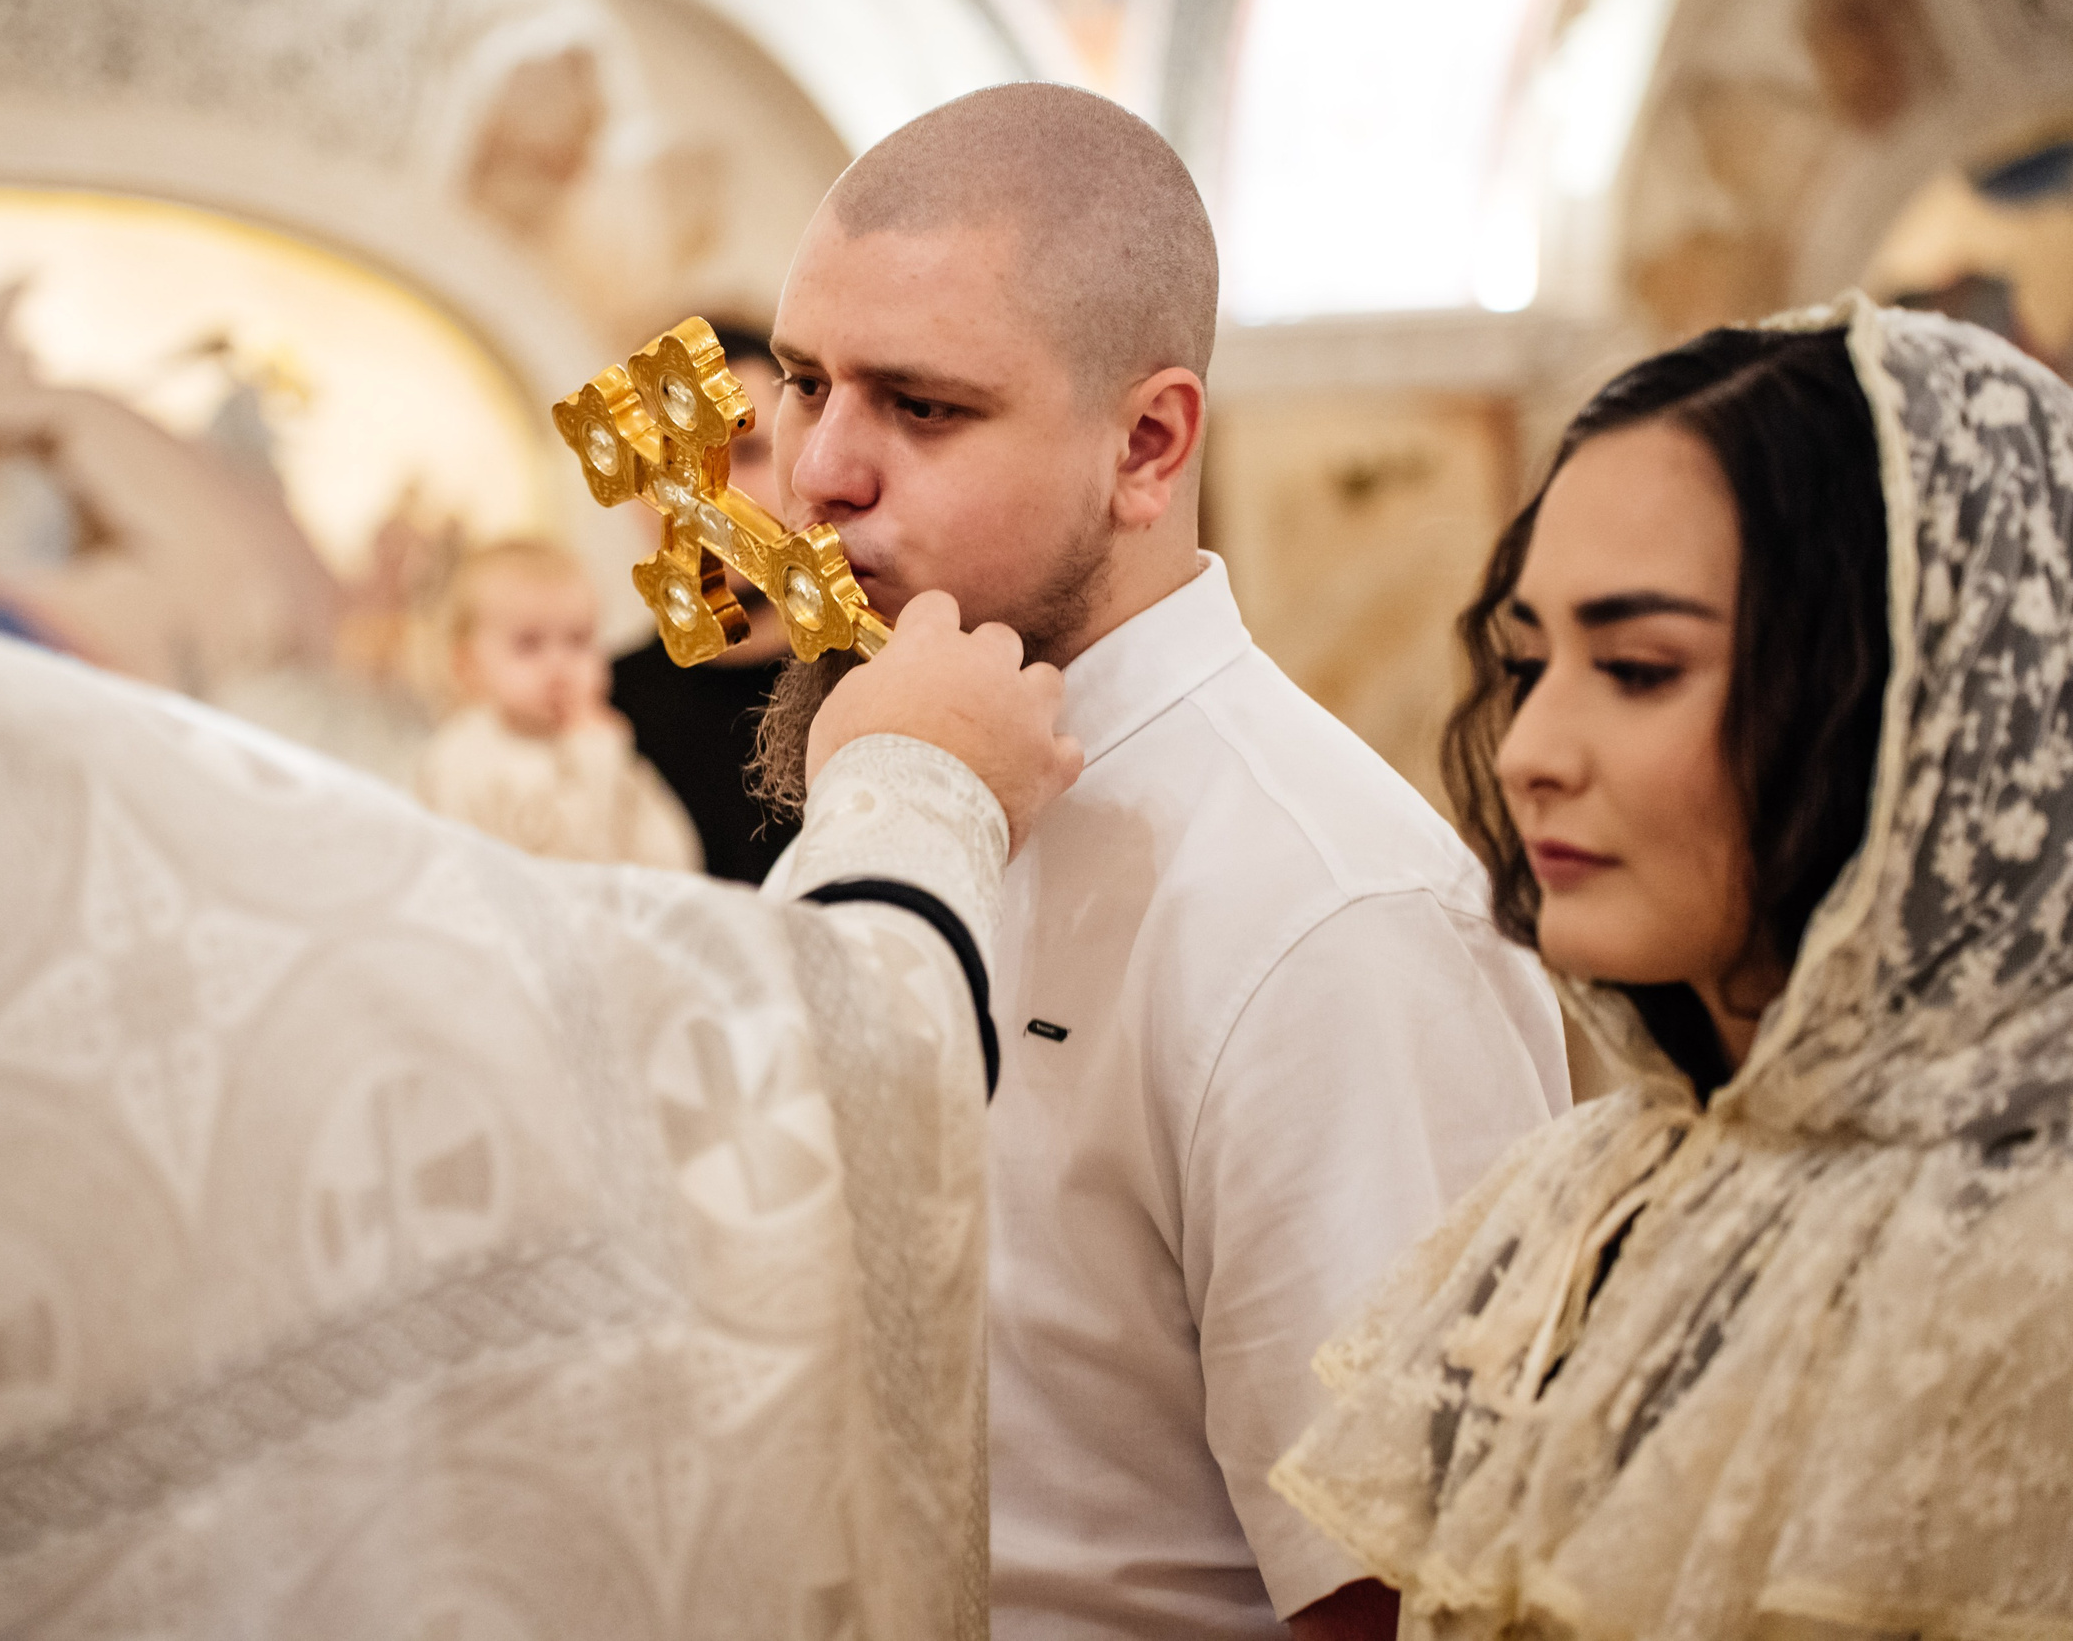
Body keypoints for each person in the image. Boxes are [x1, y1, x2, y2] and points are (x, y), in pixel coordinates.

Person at [0, 0, 1084, 1635]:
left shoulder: (867, 654)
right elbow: (664, 1069)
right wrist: (913, 811)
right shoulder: (629, 686)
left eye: (893, 412)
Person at [755, 83, 1571, 1640]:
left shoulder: (1328, 906)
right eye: (805, 382)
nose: (818, 472)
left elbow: (1409, 1595)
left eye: (922, 406)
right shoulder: (894, 787)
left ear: (1146, 442)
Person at [1272, 299, 2073, 1638]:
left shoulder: (2027, 1263)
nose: (1532, 747)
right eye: (1530, 661)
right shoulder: (1572, 1196)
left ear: (1897, 704)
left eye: (1639, 667)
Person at [608, 320, 800, 884]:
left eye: (748, 452)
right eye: (672, 458)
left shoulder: (884, 689)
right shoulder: (591, 710)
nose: (705, 492)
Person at [418, 537, 702, 869]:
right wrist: (595, 755)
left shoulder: (601, 735)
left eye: (578, 641)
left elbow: (672, 849)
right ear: (468, 665)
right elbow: (573, 864)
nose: (559, 667)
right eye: (529, 645)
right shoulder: (461, 759)